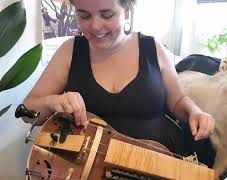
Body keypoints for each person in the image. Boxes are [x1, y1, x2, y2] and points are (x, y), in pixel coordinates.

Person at [23, 0, 215, 166]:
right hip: (86, 170)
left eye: (107, 15)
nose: (95, 26)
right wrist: (52, 101)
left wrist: (195, 112)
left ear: (127, 11)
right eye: (84, 15)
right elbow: (28, 112)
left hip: (155, 165)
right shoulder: (69, 52)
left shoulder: (153, 49)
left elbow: (178, 101)